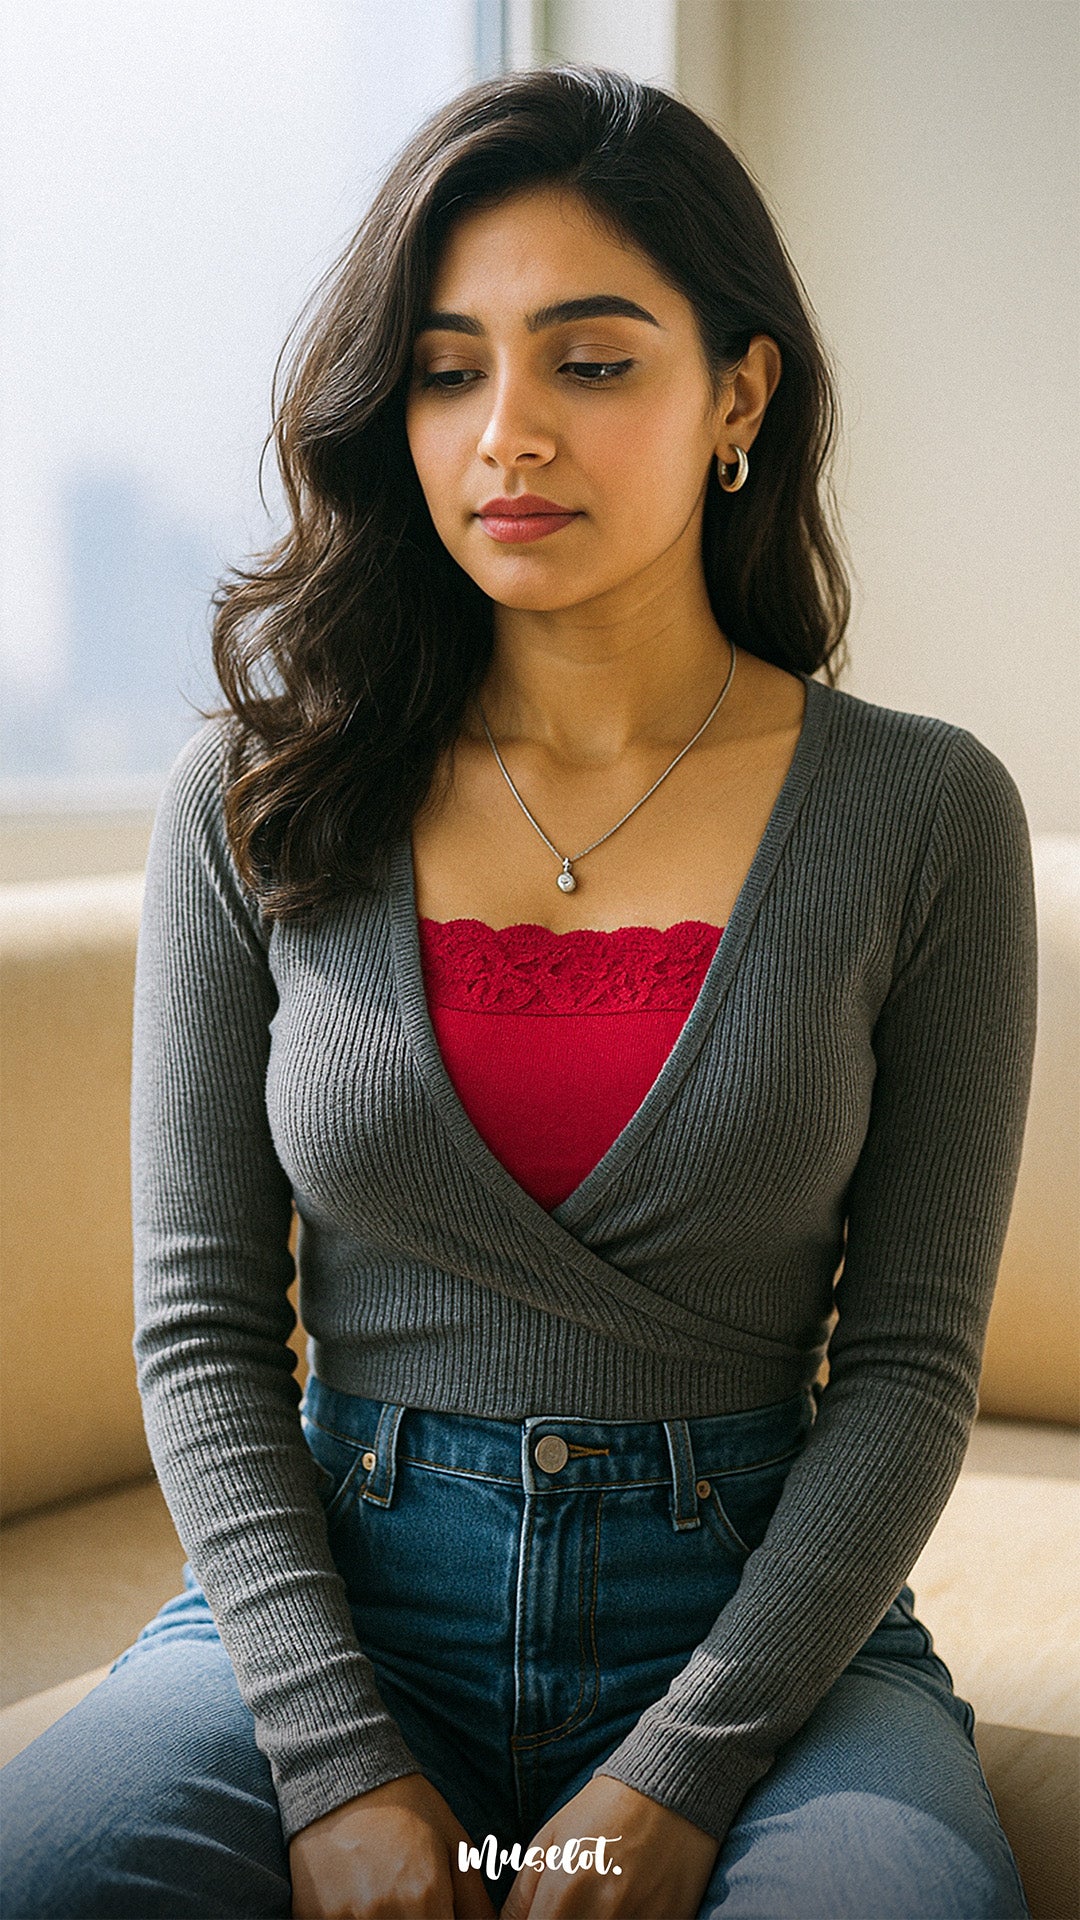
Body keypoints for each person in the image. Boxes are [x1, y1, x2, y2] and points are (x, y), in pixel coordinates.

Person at [0, 62, 1037, 1920]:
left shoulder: (923, 812)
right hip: (334, 1605)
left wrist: (680, 1771)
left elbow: (906, 1371)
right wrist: (336, 1762)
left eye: (592, 361)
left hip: (755, 1631)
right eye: (445, 369)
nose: (507, 435)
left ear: (739, 394)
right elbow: (203, 1330)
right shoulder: (253, 798)